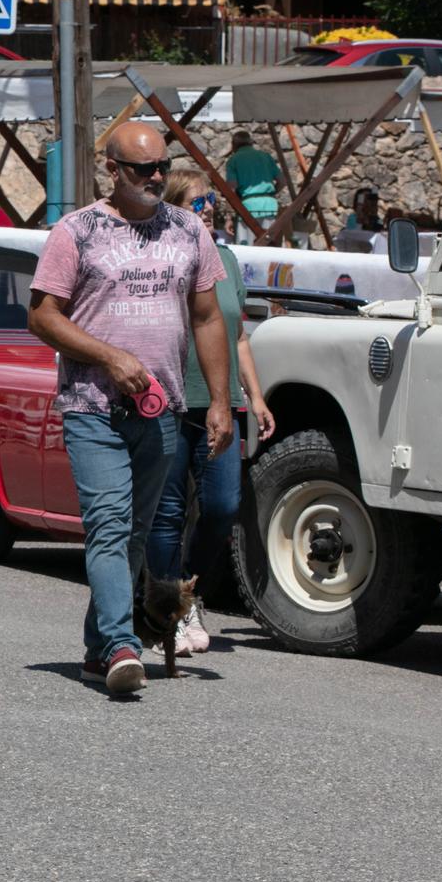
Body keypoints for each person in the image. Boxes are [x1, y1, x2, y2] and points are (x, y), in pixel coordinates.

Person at [27, 124, 234, 696]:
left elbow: (208, 318)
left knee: (134, 535)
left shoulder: (189, 230)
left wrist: (219, 401)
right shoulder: (77, 232)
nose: (156, 178)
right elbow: (43, 316)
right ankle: (121, 644)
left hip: (160, 410)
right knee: (110, 525)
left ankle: (99, 648)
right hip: (92, 407)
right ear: (112, 170)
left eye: (162, 167)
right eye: (142, 170)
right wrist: (109, 357)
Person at [147, 168, 276, 656]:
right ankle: (168, 612)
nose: (211, 209)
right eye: (200, 202)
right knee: (169, 512)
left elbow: (237, 333)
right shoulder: (162, 259)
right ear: (178, 208)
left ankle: (187, 593)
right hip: (172, 400)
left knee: (222, 508)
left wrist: (255, 396)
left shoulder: (225, 259)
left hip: (223, 403)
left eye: (212, 201)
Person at [223, 129, 286, 235]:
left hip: (247, 209)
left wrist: (229, 217)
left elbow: (231, 190)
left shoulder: (233, 160)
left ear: (233, 145)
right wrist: (270, 194)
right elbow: (282, 181)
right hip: (270, 207)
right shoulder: (266, 157)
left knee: (248, 247)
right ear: (251, 143)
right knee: (270, 245)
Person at [336, 187, 387, 253]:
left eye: (370, 202)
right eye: (363, 201)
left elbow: (381, 231)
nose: (367, 205)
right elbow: (352, 234)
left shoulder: (378, 221)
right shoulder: (352, 219)